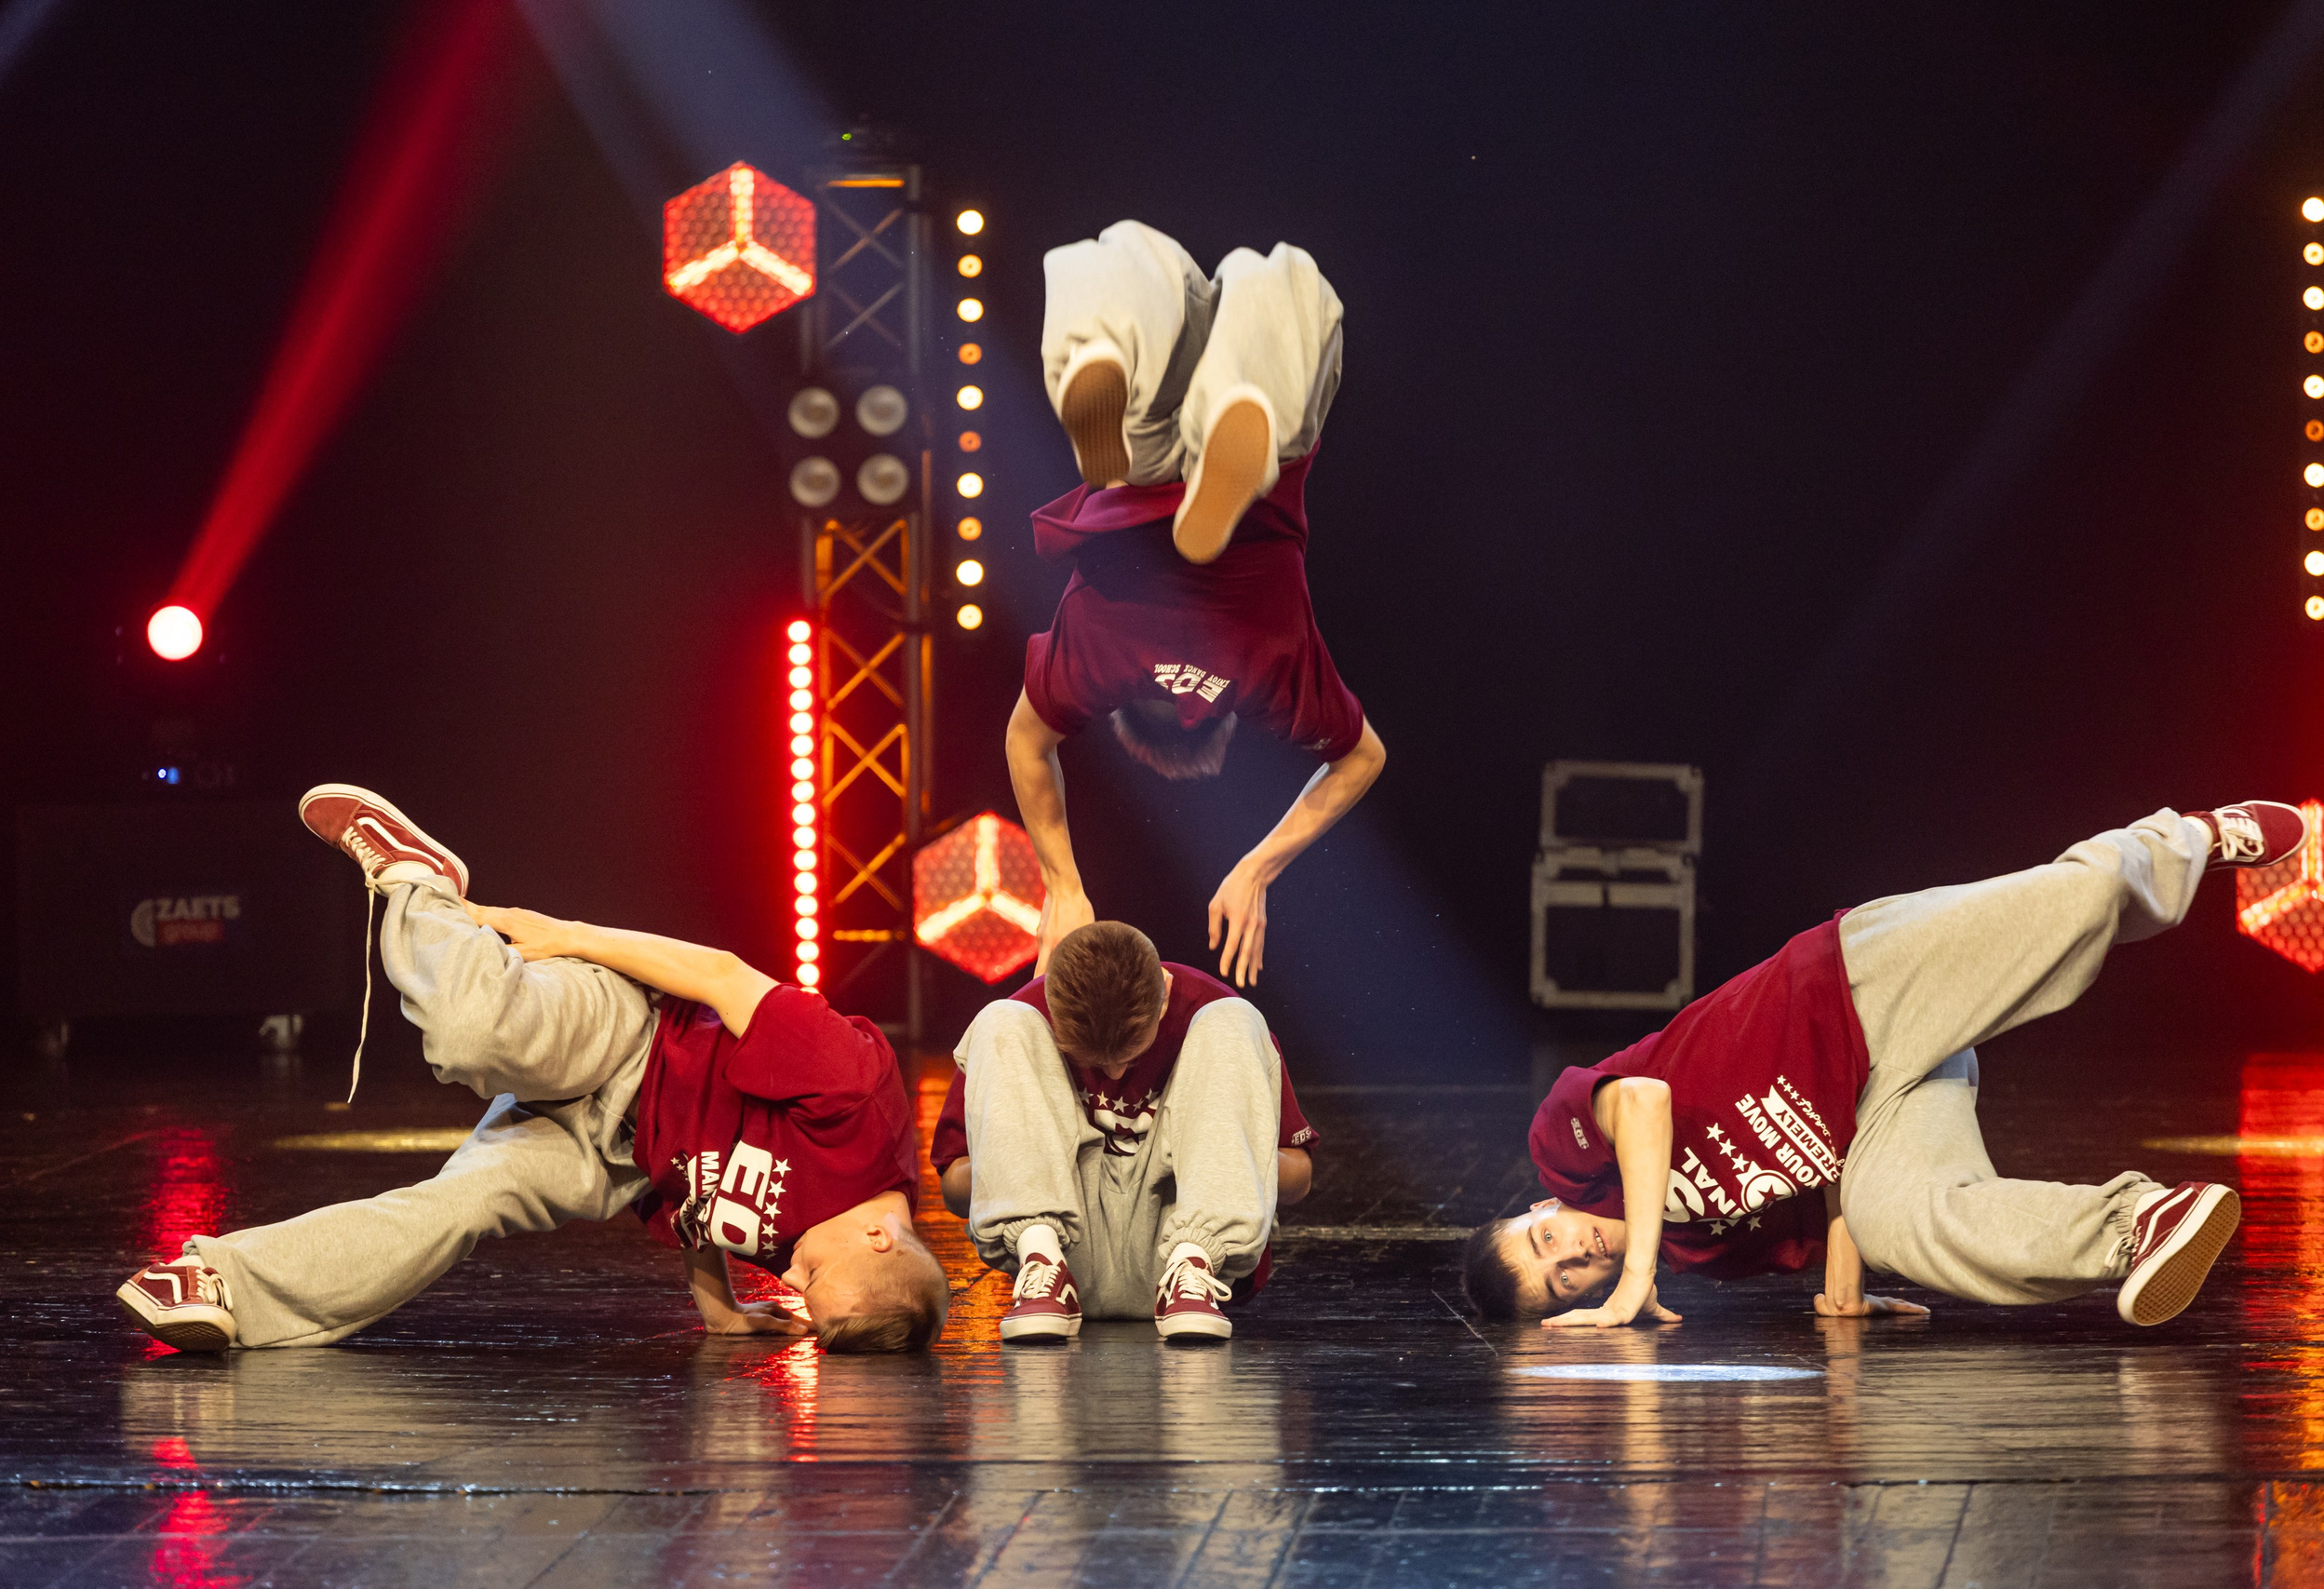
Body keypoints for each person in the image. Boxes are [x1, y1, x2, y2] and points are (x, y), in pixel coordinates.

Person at [115, 784, 948, 1355]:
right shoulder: (855, 1098)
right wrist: (564, 932)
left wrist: (722, 1312)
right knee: (470, 1036)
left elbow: (708, 1207)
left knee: (455, 1207)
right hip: (633, 1037)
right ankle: (422, 881)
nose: (795, 1281)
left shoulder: (828, 1247)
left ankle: (219, 1283)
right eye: (816, 1280)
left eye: (800, 1294)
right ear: (882, 1235)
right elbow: (724, 974)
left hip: (606, 1154)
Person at [1460, 801, 2307, 1331]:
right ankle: (2141, 1224)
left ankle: (2187, 836)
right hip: (1883, 1105)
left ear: (1538, 1205)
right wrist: (1844, 1280)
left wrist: (1637, 1270)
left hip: (1852, 985)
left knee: (2072, 908)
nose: (1571, 1256)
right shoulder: (1702, 1252)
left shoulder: (1563, 1148)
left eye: (1545, 1240)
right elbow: (1826, 1195)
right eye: (1562, 1284)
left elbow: (1643, 1100)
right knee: (1908, 1225)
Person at [1011, 220, 1387, 988]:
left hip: (1264, 486)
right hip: (1139, 486)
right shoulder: (1091, 667)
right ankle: (1104, 355)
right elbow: (1026, 746)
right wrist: (1062, 882)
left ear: (1215, 719)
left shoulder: (1266, 680)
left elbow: (1361, 759)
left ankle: (1232, 407)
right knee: (1135, 262)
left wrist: (1259, 865)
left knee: (1283, 289)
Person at [932, 921, 1318, 1341]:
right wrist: (1015, 1149)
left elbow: (1298, 1180)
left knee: (1234, 1017)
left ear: (1164, 996)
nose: (1115, 1072)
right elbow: (955, 1190)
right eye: (1091, 1059)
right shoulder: (1031, 1013)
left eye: (1131, 1057)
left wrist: (1219, 1145)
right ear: (1055, 1013)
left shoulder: (1208, 1006)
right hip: (1065, 1251)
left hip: (1186, 1252)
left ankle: (1192, 1267)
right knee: (1000, 1018)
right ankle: (1042, 1262)